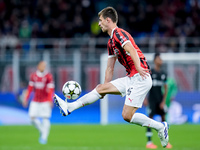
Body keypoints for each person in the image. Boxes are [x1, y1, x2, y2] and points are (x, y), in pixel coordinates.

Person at [54, 7, 169, 148]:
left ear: (108, 20)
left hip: (140, 76)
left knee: (127, 115)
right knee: (100, 88)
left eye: (101, 20)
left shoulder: (119, 34)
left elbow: (131, 49)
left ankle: (160, 127)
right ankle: (69, 107)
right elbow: (110, 67)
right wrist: (104, 89)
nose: (99, 24)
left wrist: (139, 67)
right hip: (131, 77)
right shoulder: (110, 42)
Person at [22, 61, 54, 144]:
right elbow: (30, 88)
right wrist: (26, 98)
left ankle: (44, 138)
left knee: (45, 118)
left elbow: (51, 89)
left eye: (45, 66)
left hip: (45, 101)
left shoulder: (48, 76)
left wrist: (50, 100)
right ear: (38, 66)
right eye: (42, 65)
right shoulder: (33, 76)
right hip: (35, 100)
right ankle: (43, 130)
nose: (43, 67)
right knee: (31, 118)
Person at [145, 53, 172, 149]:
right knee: (149, 119)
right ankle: (149, 143)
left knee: (163, 119)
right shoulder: (150, 73)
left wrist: (164, 101)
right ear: (155, 60)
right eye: (159, 59)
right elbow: (145, 86)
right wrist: (144, 98)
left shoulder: (163, 74)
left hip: (160, 100)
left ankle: (165, 141)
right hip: (151, 100)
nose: (161, 60)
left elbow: (166, 87)